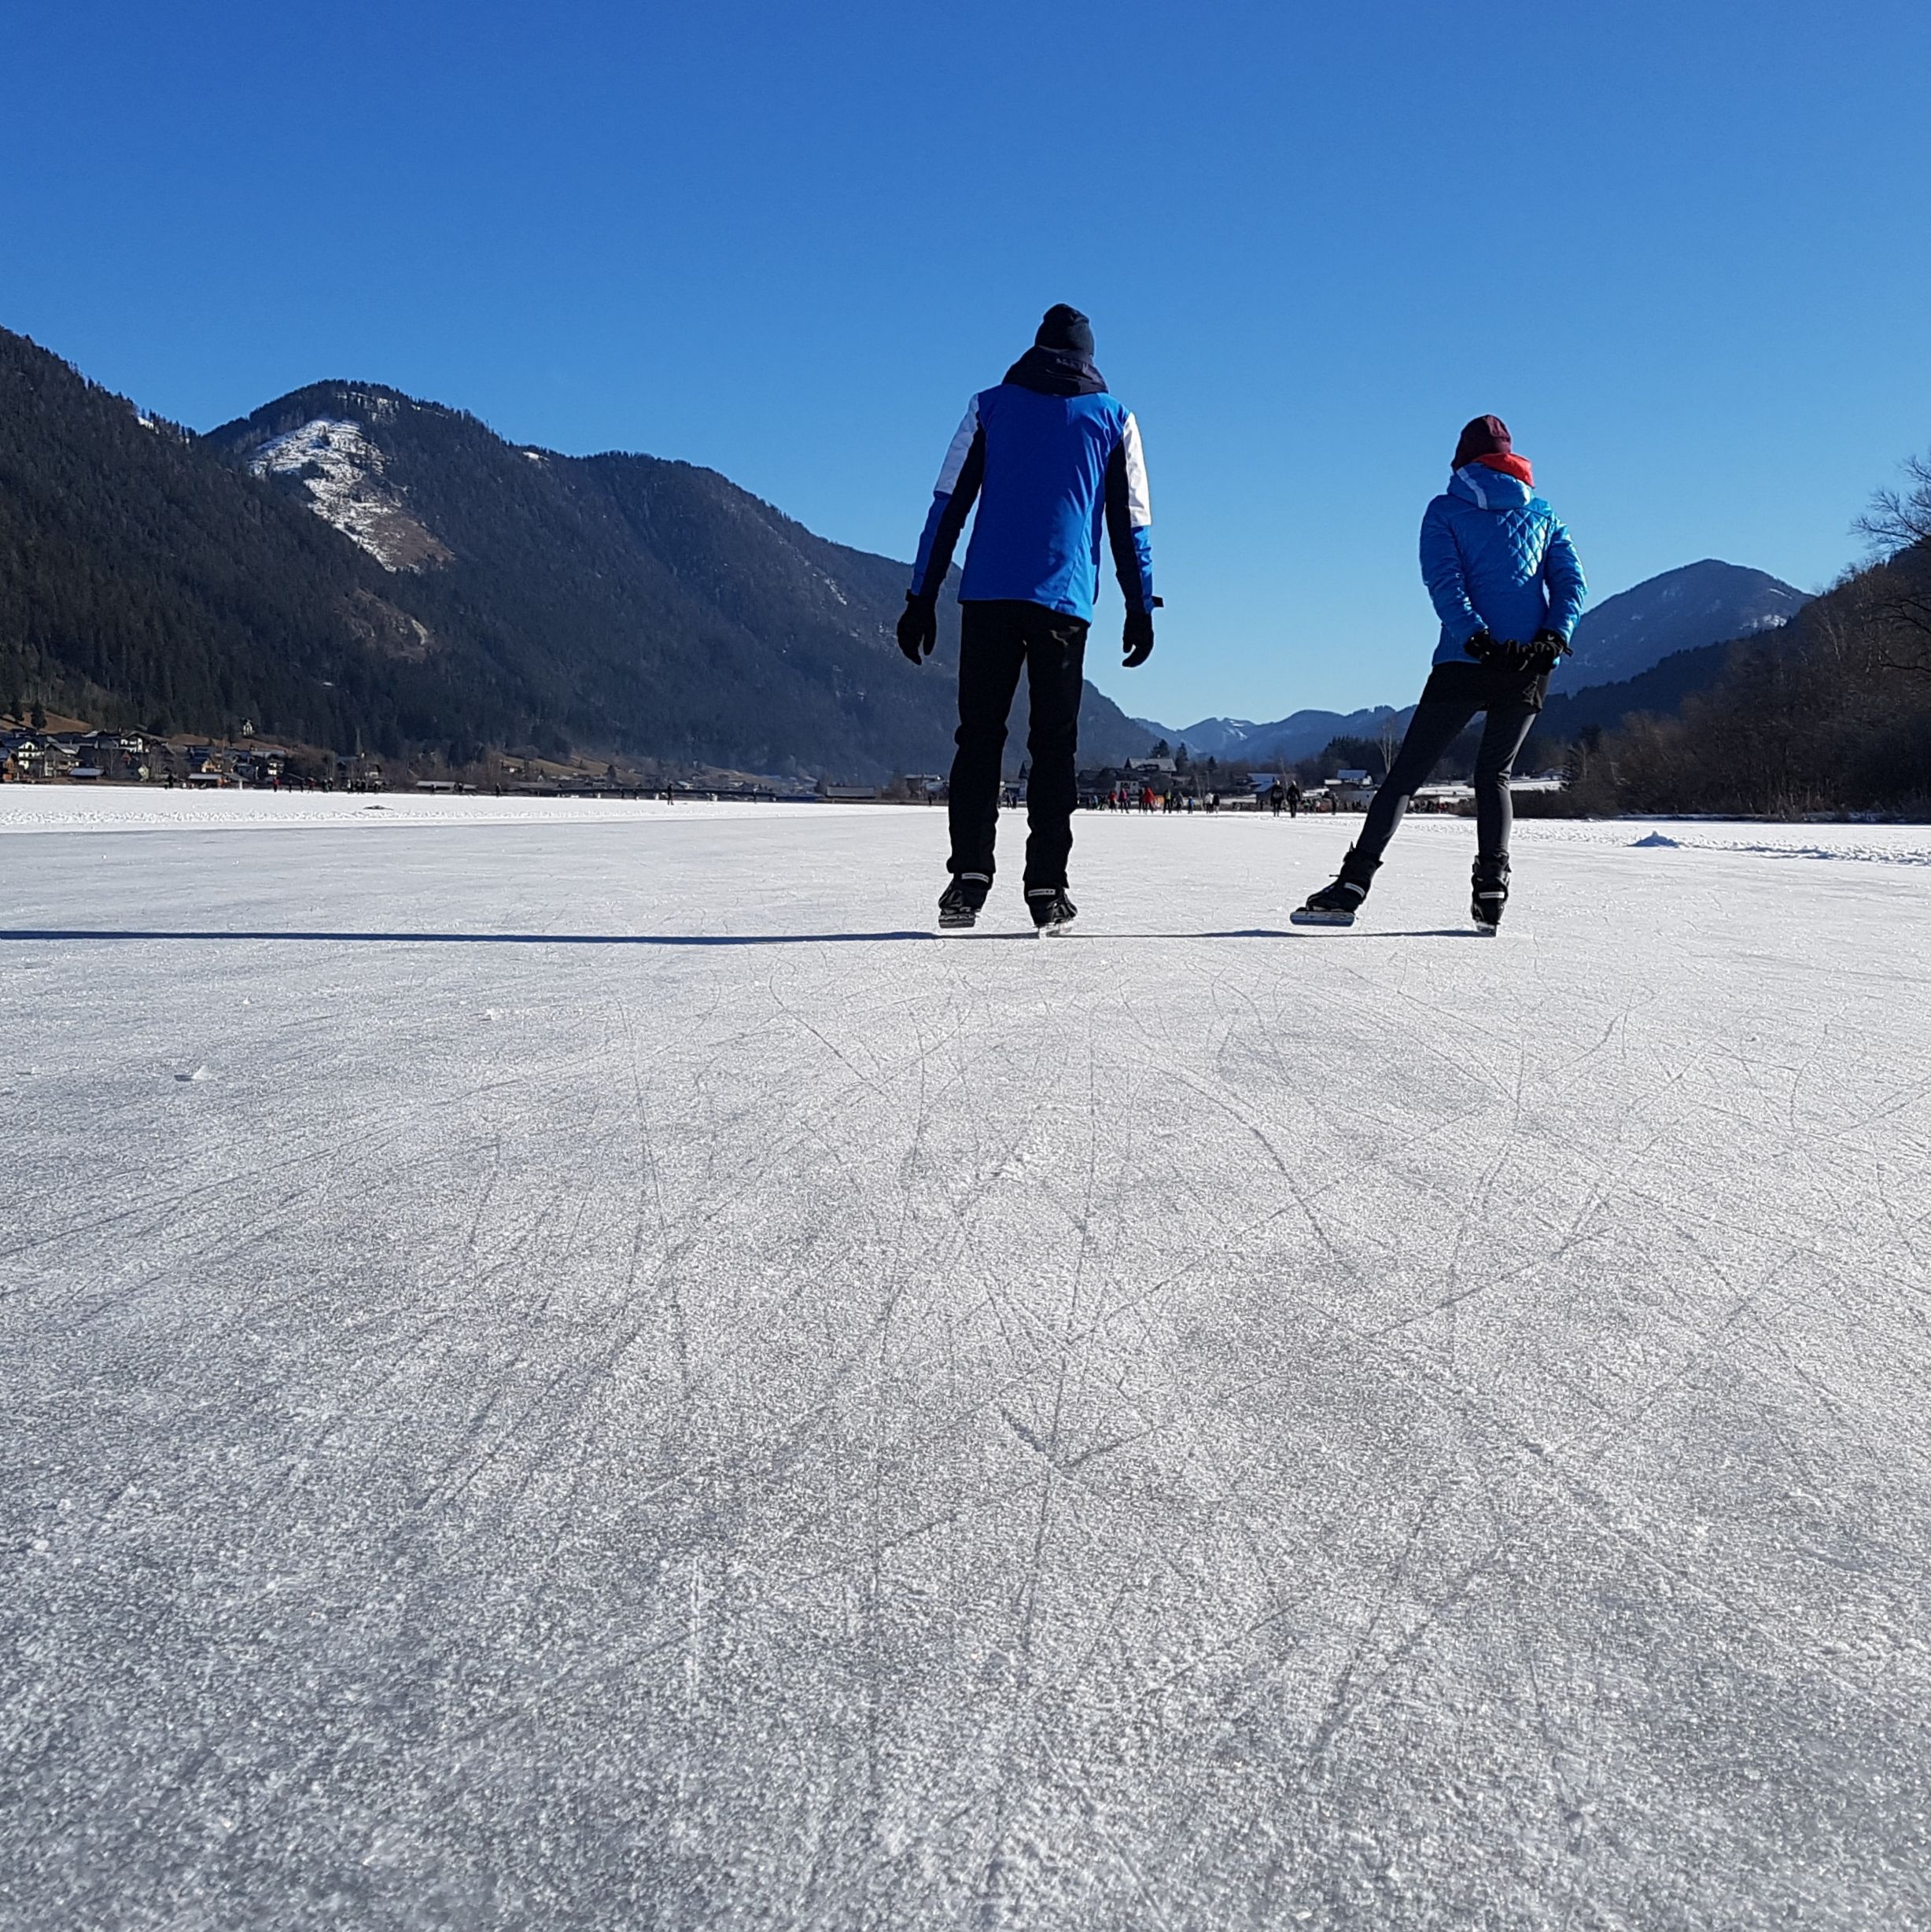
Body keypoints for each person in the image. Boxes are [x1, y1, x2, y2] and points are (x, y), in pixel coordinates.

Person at [898, 304, 1160, 935]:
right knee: (1053, 747)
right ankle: (1046, 886)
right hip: (1062, 604)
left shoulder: (988, 407)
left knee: (978, 739)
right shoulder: (1114, 418)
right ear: (1089, 357)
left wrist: (921, 595)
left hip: (988, 595)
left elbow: (947, 506)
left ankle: (967, 880)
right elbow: (1130, 522)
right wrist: (1138, 603)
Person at [1292, 415, 1585, 932]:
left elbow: (1444, 582)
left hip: (1464, 660)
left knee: (1406, 776)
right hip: (1528, 664)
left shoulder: (1445, 509)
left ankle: (1352, 886)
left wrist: (1475, 637)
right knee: (1494, 776)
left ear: (1462, 460)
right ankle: (1491, 888)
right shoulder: (1543, 513)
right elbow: (1570, 583)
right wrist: (1552, 638)